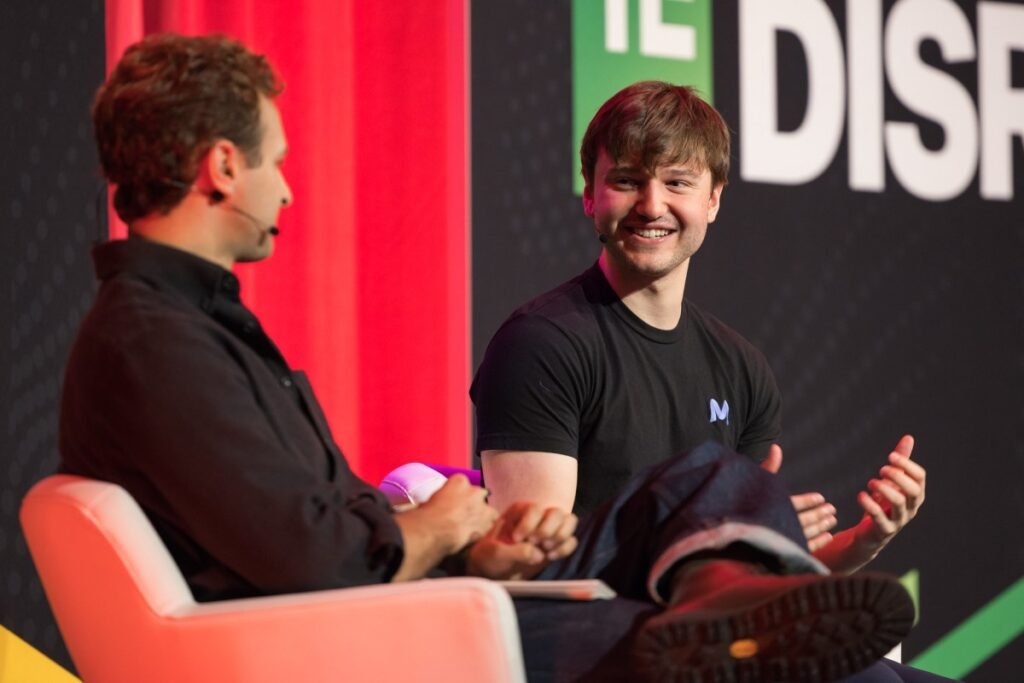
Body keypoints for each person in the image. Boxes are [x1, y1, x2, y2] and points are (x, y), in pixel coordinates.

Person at [60, 36, 919, 682]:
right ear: (220, 167)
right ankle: (738, 590)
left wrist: (469, 548)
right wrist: (437, 530)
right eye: (276, 162)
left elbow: (306, 519)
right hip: (331, 642)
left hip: (387, 612)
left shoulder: (192, 330)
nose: (285, 188)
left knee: (774, 615)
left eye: (680, 183)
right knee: (706, 526)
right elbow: (305, 554)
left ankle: (744, 588)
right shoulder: (155, 341)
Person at [471, 81, 927, 576]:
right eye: (626, 181)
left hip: (704, 633)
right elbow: (532, 565)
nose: (651, 205)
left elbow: (749, 575)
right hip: (583, 639)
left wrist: (864, 541)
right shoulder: (540, 344)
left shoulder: (741, 369)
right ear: (590, 196)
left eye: (677, 183)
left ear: (712, 200)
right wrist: (695, 532)